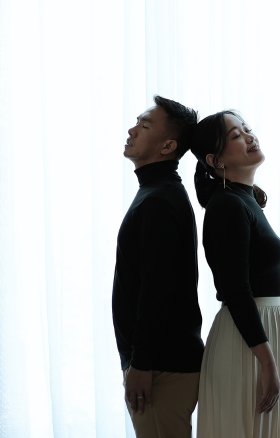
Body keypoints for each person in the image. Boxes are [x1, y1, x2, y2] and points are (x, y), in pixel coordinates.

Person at [190, 110, 280, 437]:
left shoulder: (244, 200)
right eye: (237, 135)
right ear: (216, 160)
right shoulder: (227, 204)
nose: (250, 136)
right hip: (247, 345)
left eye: (247, 129)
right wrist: (267, 362)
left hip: (261, 339)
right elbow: (236, 290)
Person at [112, 95, 204, 438]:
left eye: (145, 125)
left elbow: (157, 291)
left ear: (168, 146)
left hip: (161, 368)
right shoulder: (158, 192)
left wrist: (141, 363)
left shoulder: (160, 200)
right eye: (137, 121)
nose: (132, 129)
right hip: (161, 364)